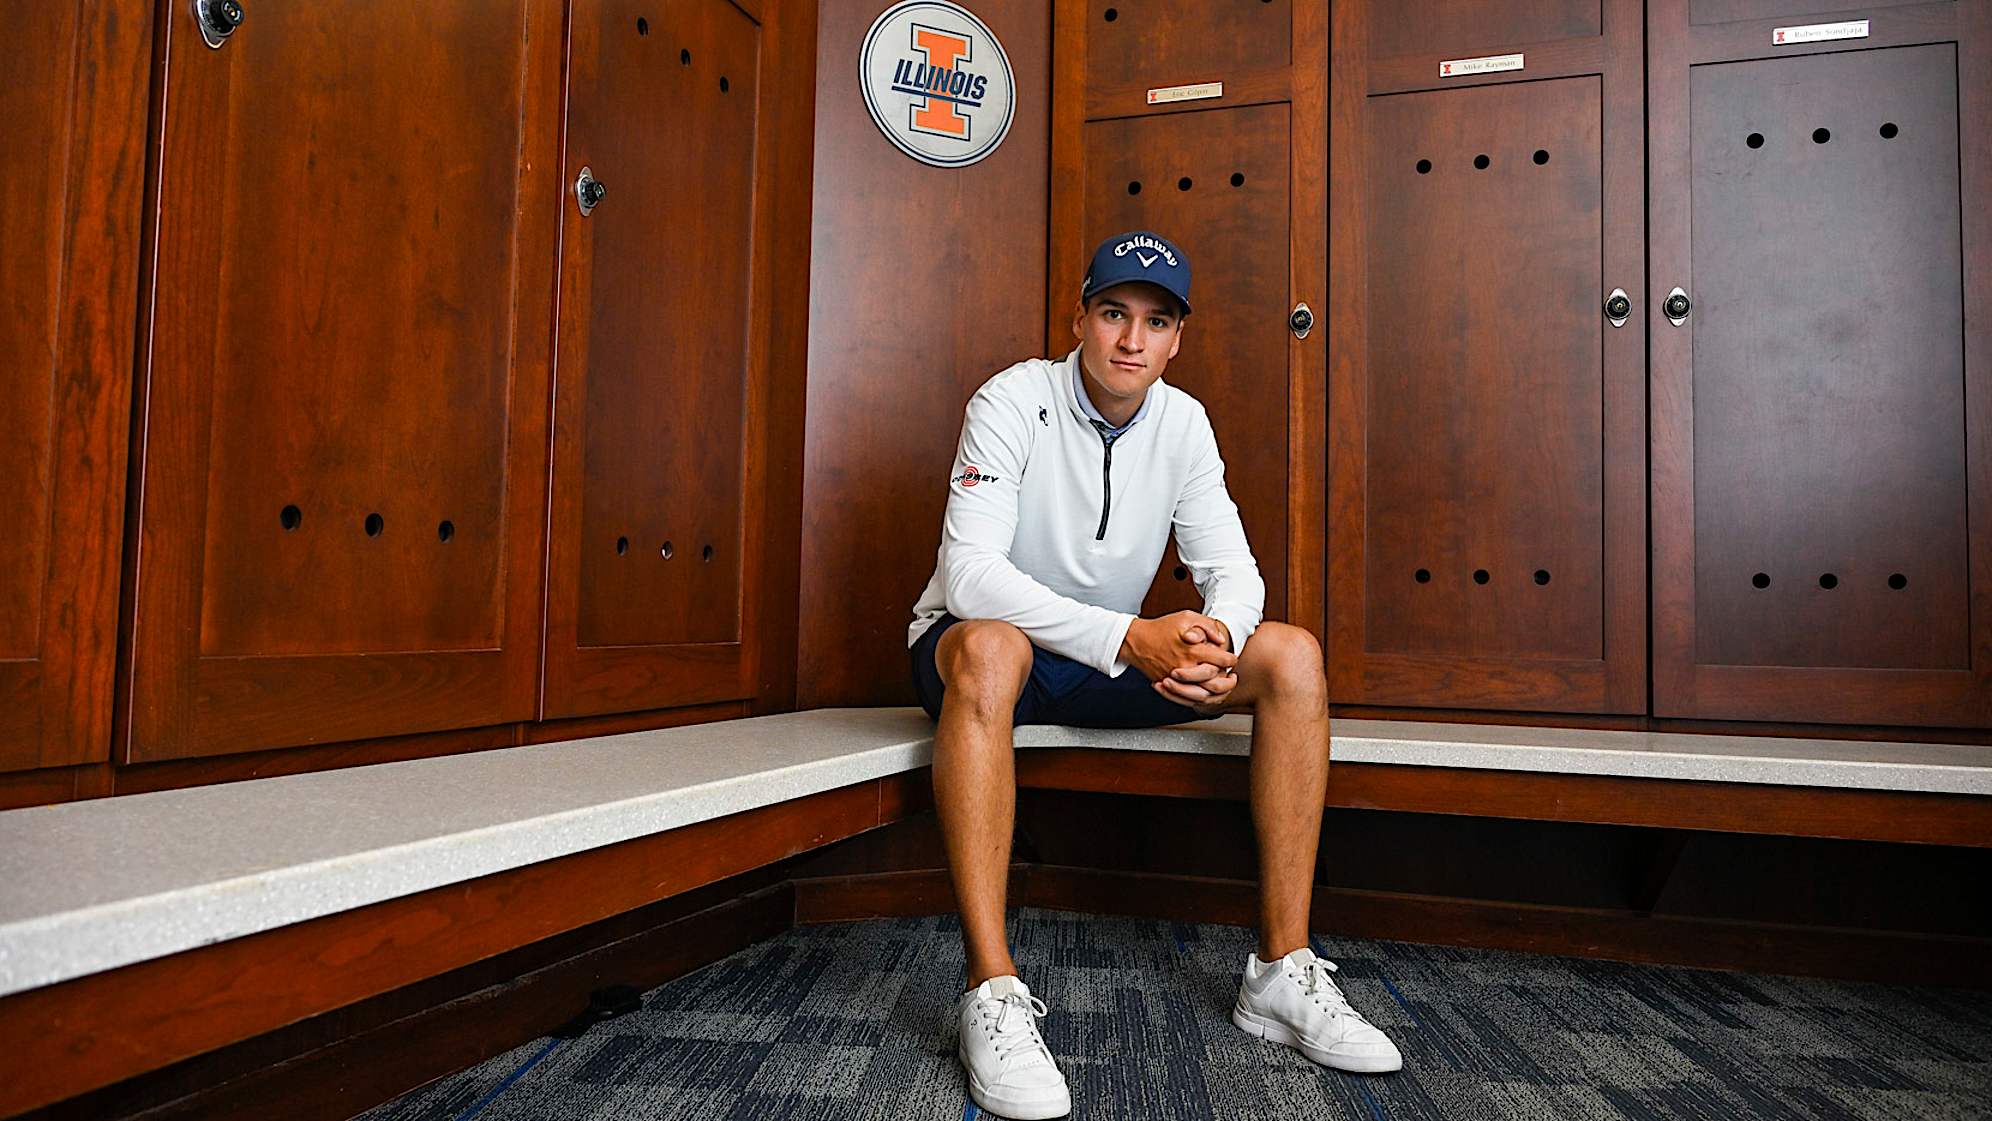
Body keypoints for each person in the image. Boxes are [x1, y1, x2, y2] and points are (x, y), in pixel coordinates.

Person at [907, 231, 1403, 1119]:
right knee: (991, 644)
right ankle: (990, 990)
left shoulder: (1183, 421)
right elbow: (970, 574)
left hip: (1110, 655)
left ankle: (1280, 972)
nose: (1132, 339)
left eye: (1155, 321)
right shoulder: (1013, 397)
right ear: (1081, 319)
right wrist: (1130, 635)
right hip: (986, 655)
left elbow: (1236, 572)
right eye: (1113, 314)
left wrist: (1216, 640)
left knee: (1290, 653)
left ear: (1177, 340)